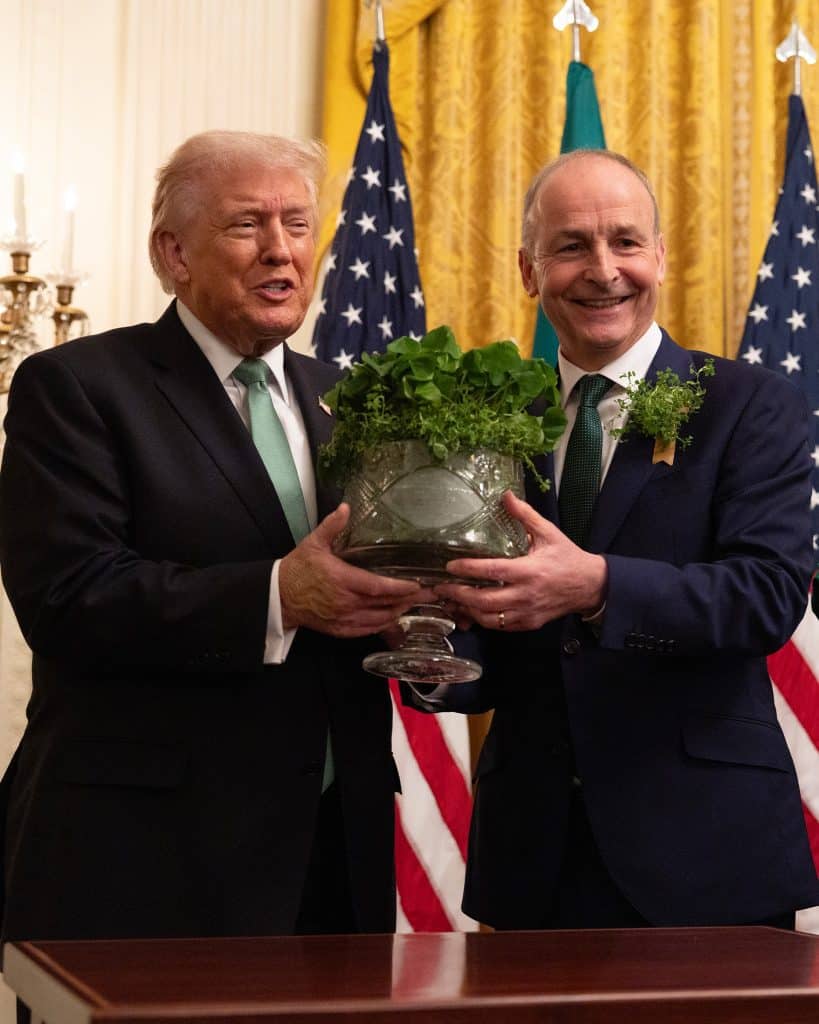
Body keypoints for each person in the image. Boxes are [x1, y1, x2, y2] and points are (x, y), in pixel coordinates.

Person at [0, 130, 430, 953]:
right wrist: (276, 596)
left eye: (298, 225)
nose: (282, 251)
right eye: (246, 225)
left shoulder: (350, 398)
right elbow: (69, 598)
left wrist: (414, 608)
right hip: (145, 865)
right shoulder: (78, 388)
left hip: (332, 855)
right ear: (173, 253)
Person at [423, 149, 819, 930]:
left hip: (706, 861)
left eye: (625, 242)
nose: (603, 270)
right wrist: (429, 640)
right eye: (570, 245)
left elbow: (766, 597)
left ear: (660, 258)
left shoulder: (747, 405)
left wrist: (598, 586)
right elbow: (493, 649)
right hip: (531, 861)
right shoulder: (494, 419)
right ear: (529, 271)